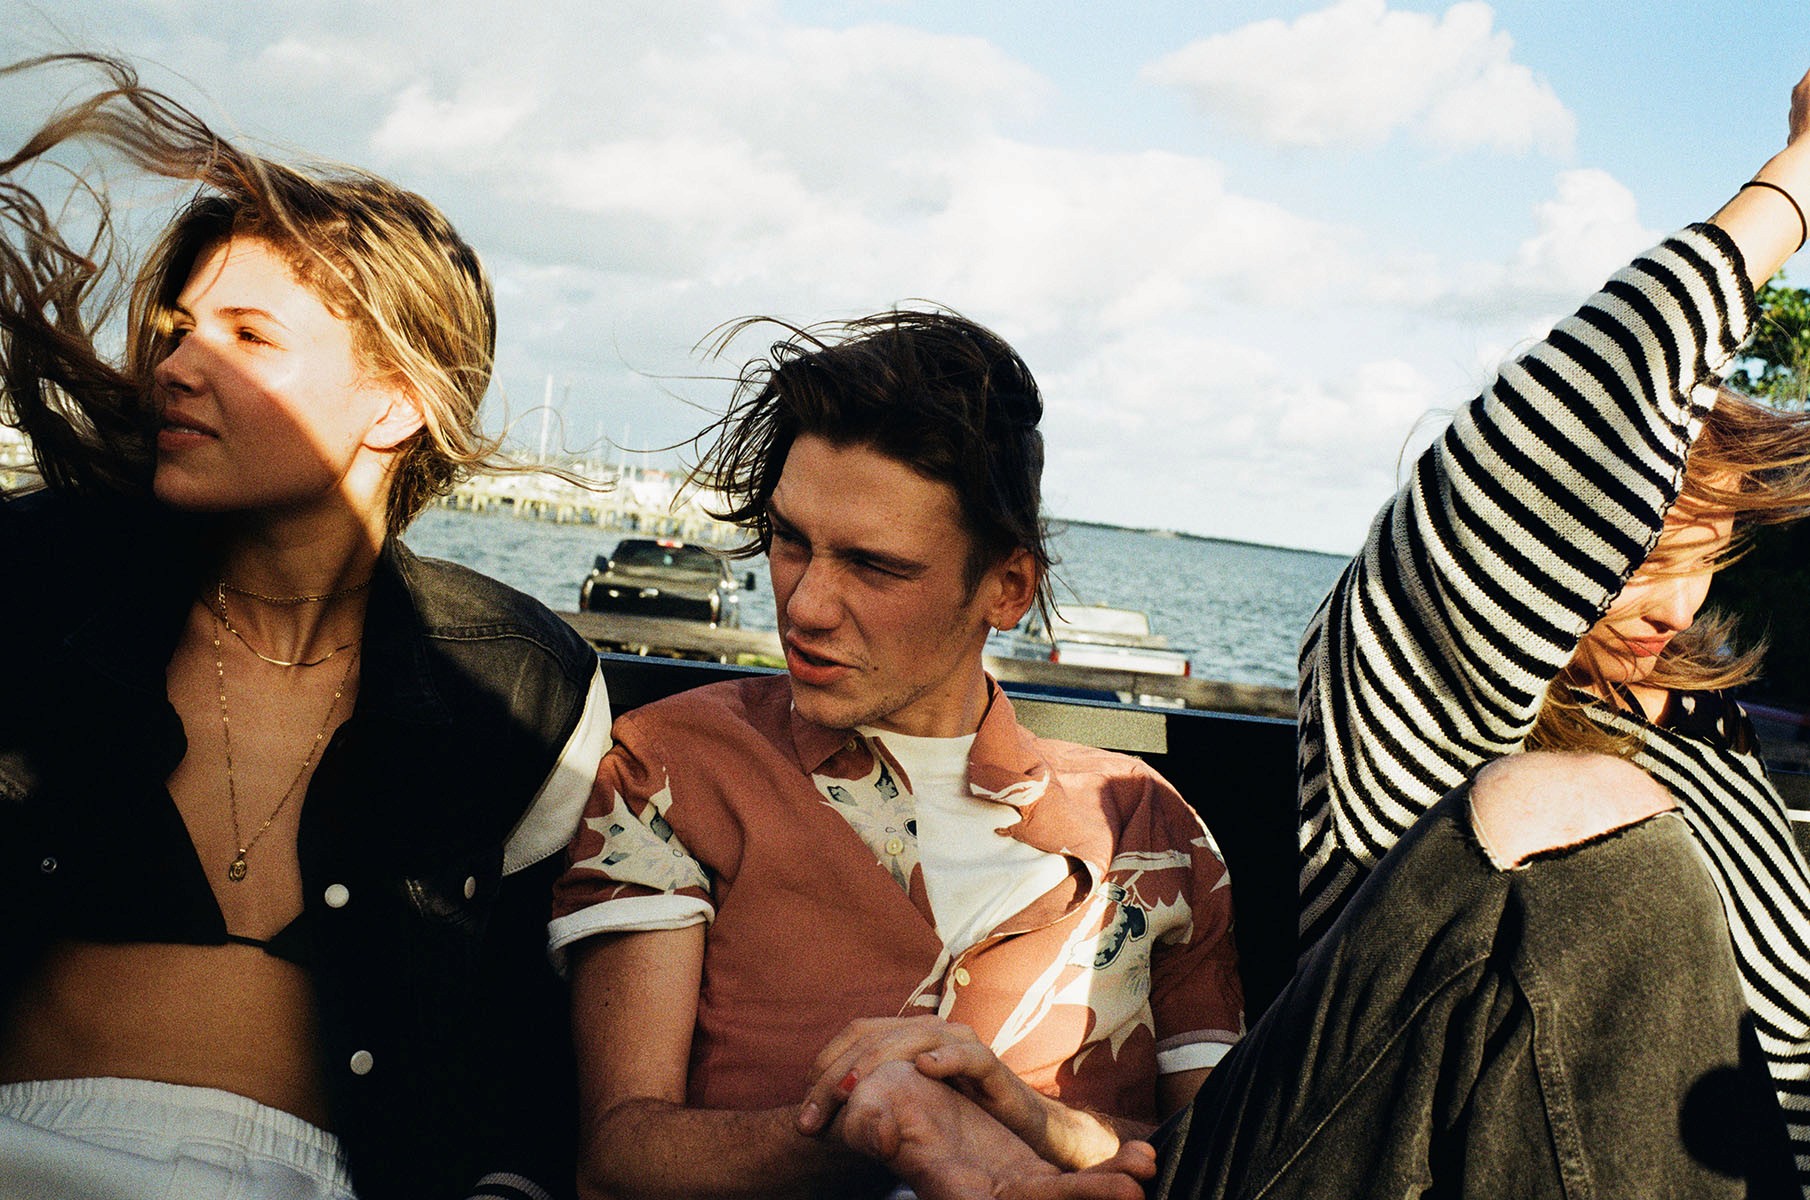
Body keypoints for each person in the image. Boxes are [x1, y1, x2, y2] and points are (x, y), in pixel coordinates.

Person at [0, 55, 610, 1200]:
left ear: (397, 401)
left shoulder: (523, 685)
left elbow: (527, 1049)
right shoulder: (37, 581)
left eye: (248, 336)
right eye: (179, 330)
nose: (174, 367)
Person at [549, 310, 1246, 1198]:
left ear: (1007, 588)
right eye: (790, 540)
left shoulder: (1147, 828)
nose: (805, 606)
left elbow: (1239, 1160)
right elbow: (618, 1162)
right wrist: (870, 1123)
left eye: (875, 567)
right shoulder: (674, 769)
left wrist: (1022, 1118)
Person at [1290, 55, 1810, 1192]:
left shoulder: (1706, 736)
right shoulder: (1426, 694)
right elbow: (1577, 415)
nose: (1675, 607)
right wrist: (1799, 175)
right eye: (1641, 560)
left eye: (1707, 559)